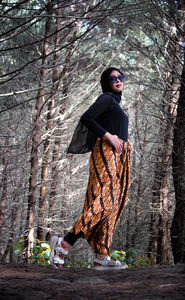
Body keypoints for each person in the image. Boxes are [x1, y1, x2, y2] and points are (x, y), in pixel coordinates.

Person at [49, 67, 132, 270]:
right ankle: (64, 244)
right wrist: (109, 136)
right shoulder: (106, 99)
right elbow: (87, 118)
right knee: (104, 201)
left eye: (121, 77)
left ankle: (102, 256)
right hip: (106, 152)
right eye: (113, 78)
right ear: (106, 81)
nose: (118, 80)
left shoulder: (114, 103)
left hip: (120, 156)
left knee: (114, 204)